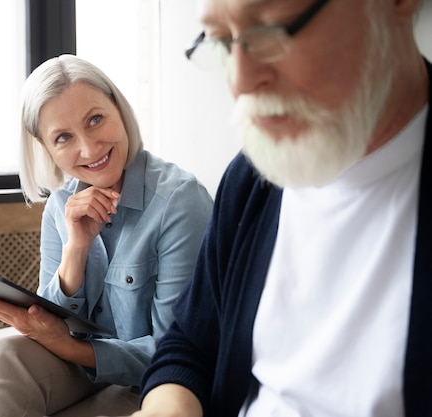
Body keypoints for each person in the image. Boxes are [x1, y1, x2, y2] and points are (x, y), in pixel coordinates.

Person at [128, 0, 431, 416]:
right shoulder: (254, 179)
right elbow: (192, 343)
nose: (240, 82)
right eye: (221, 40)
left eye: (273, 28)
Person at [0, 54, 213, 417]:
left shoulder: (180, 201)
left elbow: (176, 351)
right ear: (46, 148)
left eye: (95, 120)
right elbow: (47, 321)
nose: (90, 150)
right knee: (6, 354)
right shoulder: (60, 205)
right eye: (63, 137)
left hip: (153, 383)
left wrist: (72, 348)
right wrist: (75, 250)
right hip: (81, 366)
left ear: (119, 111)